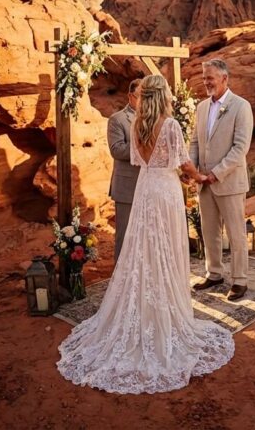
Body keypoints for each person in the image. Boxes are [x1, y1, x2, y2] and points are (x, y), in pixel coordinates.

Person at [57, 74, 234, 394]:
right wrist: (199, 177)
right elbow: (183, 163)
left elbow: (141, 160)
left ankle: (144, 308)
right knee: (166, 247)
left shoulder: (138, 125)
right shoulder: (171, 125)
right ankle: (164, 312)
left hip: (145, 189)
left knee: (143, 247)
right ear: (162, 95)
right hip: (165, 191)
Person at [190, 59, 254, 301]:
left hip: (229, 182)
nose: (206, 82)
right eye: (204, 78)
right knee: (209, 232)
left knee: (236, 234)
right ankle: (214, 273)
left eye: (210, 78)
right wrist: (192, 170)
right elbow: (195, 142)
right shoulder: (201, 107)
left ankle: (240, 280)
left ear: (224, 78)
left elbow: (240, 148)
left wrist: (216, 173)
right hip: (204, 183)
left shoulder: (241, 106)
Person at [106, 78, 141, 261]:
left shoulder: (154, 119)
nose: (144, 101)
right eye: (140, 96)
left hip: (150, 185)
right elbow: (117, 150)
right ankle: (120, 274)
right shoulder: (117, 119)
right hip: (127, 187)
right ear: (130, 96)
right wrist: (144, 148)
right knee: (125, 236)